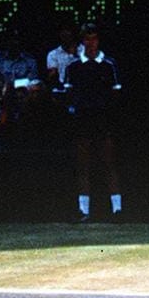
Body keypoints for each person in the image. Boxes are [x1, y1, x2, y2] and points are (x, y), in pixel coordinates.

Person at [58, 23, 122, 222]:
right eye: (87, 38)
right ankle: (84, 211)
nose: (91, 42)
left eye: (94, 38)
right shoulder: (73, 67)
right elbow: (69, 94)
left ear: (98, 40)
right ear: (82, 41)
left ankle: (117, 210)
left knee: (110, 165)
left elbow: (116, 95)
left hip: (103, 121)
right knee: (83, 166)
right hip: (83, 122)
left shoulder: (109, 65)